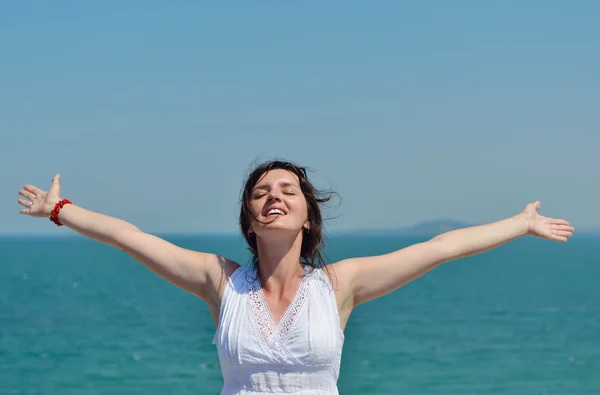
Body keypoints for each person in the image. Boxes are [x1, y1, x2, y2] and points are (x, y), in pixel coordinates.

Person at [17, 160, 575, 394]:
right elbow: (131, 237)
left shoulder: (340, 284)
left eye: (287, 191)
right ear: (250, 218)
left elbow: (441, 247)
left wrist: (521, 224)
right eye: (261, 193)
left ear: (308, 214)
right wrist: (61, 209)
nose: (274, 198)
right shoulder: (220, 281)